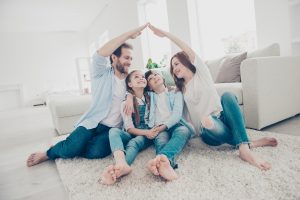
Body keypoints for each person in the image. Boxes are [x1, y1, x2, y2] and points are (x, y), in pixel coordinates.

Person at [148, 24, 278, 171]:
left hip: (222, 118)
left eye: (177, 63)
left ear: (187, 62)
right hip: (208, 131)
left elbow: (187, 49)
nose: (174, 68)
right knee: (207, 121)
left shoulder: (201, 73)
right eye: (172, 67)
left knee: (228, 96)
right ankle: (249, 143)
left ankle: (244, 148)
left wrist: (165, 34)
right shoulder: (180, 89)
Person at [26, 24, 148, 167]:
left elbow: (139, 89)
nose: (130, 62)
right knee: (71, 148)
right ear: (114, 58)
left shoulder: (130, 79)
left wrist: (129, 96)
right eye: (126, 57)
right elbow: (98, 55)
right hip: (93, 122)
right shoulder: (100, 73)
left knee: (97, 152)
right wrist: (127, 35)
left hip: (112, 128)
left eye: (131, 59)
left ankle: (72, 144)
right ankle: (49, 153)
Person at [101, 70, 158, 185]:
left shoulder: (152, 97)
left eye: (143, 76)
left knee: (134, 143)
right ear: (130, 84)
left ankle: (120, 168)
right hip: (134, 131)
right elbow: (129, 128)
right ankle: (120, 162)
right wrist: (129, 96)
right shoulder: (125, 104)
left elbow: (162, 91)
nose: (141, 78)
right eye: (136, 77)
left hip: (146, 134)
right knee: (113, 131)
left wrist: (148, 132)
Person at [145, 70, 193, 181]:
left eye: (156, 74)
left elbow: (176, 115)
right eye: (150, 78)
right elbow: (133, 92)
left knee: (184, 131)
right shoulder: (148, 96)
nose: (154, 77)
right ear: (150, 87)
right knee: (161, 141)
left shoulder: (176, 92)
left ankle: (161, 159)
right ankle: (166, 164)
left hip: (175, 124)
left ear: (163, 78)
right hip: (158, 127)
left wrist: (163, 126)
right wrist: (128, 97)